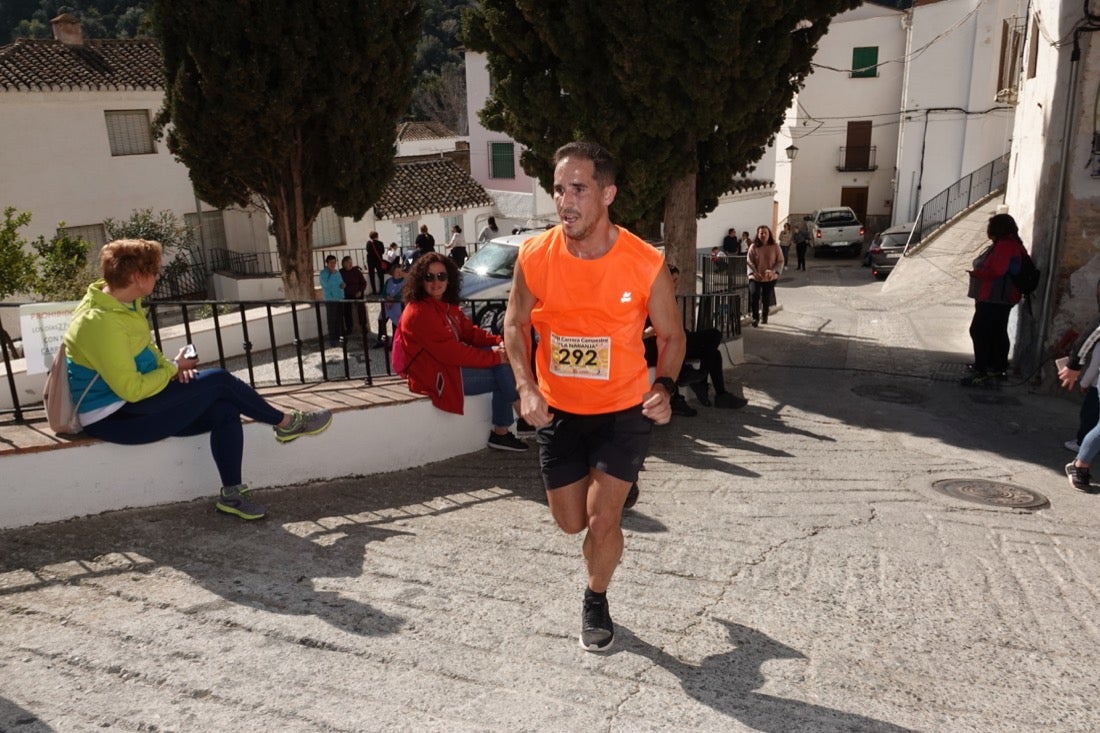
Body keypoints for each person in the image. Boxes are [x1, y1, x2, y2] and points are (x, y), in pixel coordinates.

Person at [503, 141, 685, 652]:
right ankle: (616, 489)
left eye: (578, 189)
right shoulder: (535, 256)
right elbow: (514, 324)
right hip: (559, 410)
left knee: (602, 522)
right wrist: (525, 385)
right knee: (571, 522)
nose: (565, 201)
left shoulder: (644, 262)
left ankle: (596, 597)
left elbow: (672, 336)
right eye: (559, 189)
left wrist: (664, 386)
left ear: (607, 194)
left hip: (623, 411)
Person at [63, 239, 333, 521]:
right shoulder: (99, 321)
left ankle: (233, 495)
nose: (158, 276)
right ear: (136, 277)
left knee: (225, 409)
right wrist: (173, 368)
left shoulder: (123, 303)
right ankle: (287, 423)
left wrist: (173, 367)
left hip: (137, 403)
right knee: (219, 380)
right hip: (115, 417)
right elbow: (131, 389)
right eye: (154, 271)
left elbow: (145, 350)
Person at [401, 252, 527, 452]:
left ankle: (513, 423)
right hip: (433, 376)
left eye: (441, 276)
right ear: (420, 280)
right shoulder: (419, 312)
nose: (436, 282)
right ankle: (514, 421)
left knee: (500, 361)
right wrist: (496, 357)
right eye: (429, 277)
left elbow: (470, 333)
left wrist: (500, 342)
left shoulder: (445, 305)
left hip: (447, 367)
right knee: (502, 371)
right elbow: (453, 353)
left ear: (449, 278)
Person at [961, 213, 1028, 387]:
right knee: (996, 331)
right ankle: (995, 367)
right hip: (997, 296)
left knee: (979, 331)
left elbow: (997, 271)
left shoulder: (1005, 245)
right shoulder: (1007, 244)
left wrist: (977, 273)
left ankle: (983, 370)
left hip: (996, 297)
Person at [747, 225, 784, 327]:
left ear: (769, 234)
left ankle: (764, 316)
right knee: (754, 295)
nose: (763, 235)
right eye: (761, 233)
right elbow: (749, 261)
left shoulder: (775, 247)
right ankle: (755, 318)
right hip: (755, 276)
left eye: (765, 233)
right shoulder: (753, 247)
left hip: (769, 277)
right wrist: (754, 272)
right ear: (758, 234)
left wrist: (773, 272)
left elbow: (780, 261)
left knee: (766, 297)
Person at [376, 263, 406, 347]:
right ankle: (381, 339)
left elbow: (403, 293)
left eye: (400, 272)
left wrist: (393, 299)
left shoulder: (405, 282)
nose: (399, 274)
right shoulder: (388, 281)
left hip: (398, 307)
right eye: (397, 272)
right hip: (387, 306)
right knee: (381, 321)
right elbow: (383, 292)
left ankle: (394, 343)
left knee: (395, 324)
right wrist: (387, 297)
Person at [319, 254, 344, 347]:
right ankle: (332, 338)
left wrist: (343, 285)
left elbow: (340, 282)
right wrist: (332, 274)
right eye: (331, 262)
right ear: (327, 263)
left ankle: (339, 336)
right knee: (331, 319)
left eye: (334, 262)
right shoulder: (324, 273)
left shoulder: (337, 272)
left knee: (339, 318)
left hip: (339, 297)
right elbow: (326, 285)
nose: (333, 264)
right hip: (330, 299)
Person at [339, 256, 367, 337]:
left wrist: (360, 291)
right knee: (346, 309)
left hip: (358, 293)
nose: (350, 263)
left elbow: (364, 283)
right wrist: (341, 286)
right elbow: (338, 284)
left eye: (351, 262)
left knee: (361, 308)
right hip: (347, 294)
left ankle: (363, 326)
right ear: (344, 264)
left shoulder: (356, 271)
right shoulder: (340, 273)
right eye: (348, 262)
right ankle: (349, 327)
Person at [365, 231, 387, 295]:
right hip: (378, 261)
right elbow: (382, 251)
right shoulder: (380, 243)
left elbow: (368, 250)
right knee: (381, 276)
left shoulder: (368, 243)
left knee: (372, 276)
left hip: (370, 261)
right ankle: (381, 290)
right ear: (377, 236)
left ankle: (374, 291)